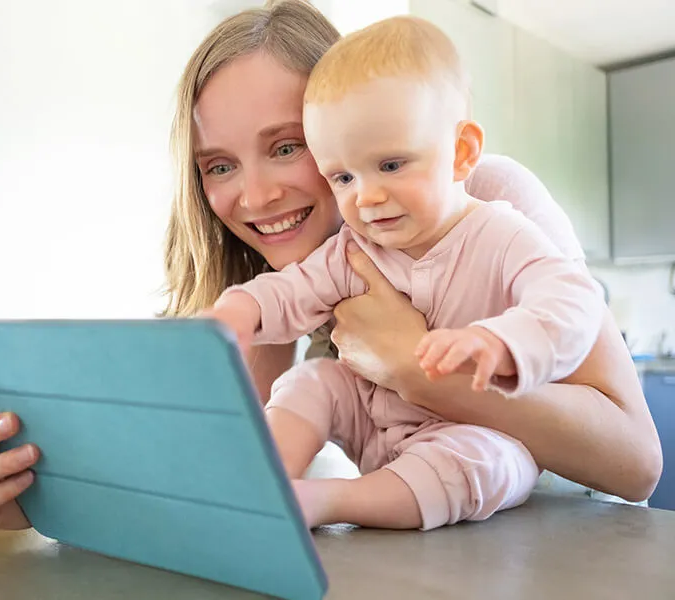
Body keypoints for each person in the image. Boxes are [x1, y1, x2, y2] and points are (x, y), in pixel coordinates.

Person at [0, 0, 661, 531]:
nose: (254, 196)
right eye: (218, 165)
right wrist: (32, 500)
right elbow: (205, 492)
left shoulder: (484, 200)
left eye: (287, 147)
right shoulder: (259, 291)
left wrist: (413, 366)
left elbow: (636, 464)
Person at [202, 15, 606, 530]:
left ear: (460, 153)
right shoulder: (356, 243)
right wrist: (245, 308)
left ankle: (327, 502)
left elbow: (572, 304)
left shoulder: (501, 230)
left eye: (390, 165)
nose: (367, 197)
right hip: (378, 427)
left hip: (469, 440)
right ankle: (259, 486)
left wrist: (504, 343)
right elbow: (293, 290)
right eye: (344, 176)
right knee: (313, 381)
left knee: (485, 461)